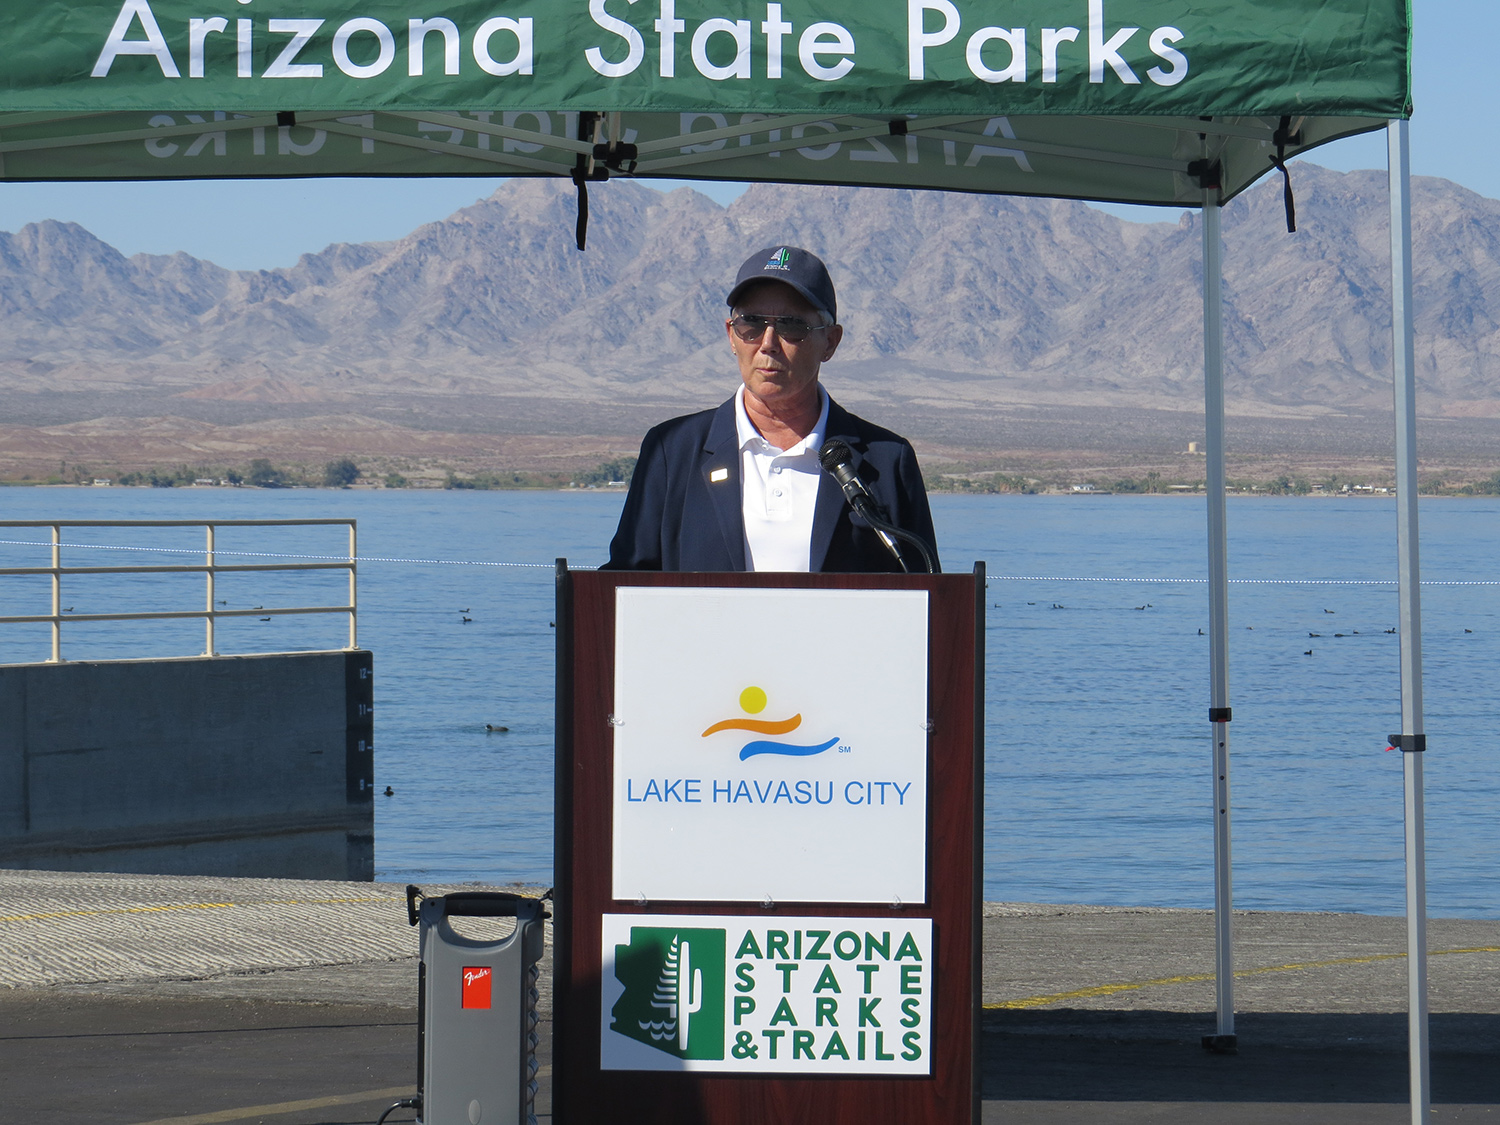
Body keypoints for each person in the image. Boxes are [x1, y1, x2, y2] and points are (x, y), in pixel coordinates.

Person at [604, 245, 938, 572]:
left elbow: (928, 597)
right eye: (751, 324)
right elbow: (622, 589)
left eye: (791, 326)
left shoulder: (885, 460)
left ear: (831, 342)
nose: (768, 344)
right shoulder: (672, 452)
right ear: (731, 337)